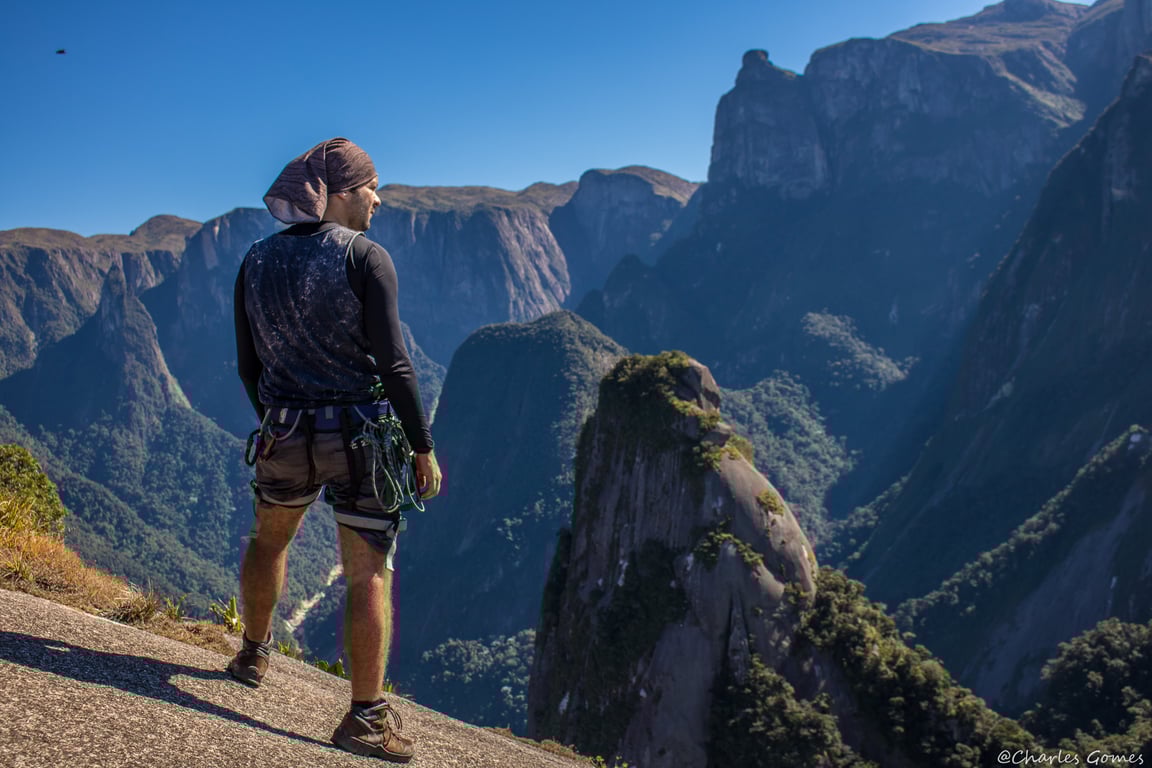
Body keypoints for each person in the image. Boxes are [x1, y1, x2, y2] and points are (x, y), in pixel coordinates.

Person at [230, 137, 441, 764]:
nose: (379, 199)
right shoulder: (365, 257)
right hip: (360, 438)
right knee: (368, 570)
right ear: (342, 192)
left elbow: (248, 366)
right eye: (372, 187)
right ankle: (365, 719)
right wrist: (423, 446)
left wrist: (275, 421)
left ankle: (252, 654)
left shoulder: (255, 261)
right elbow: (395, 364)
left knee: (269, 539)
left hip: (283, 429)